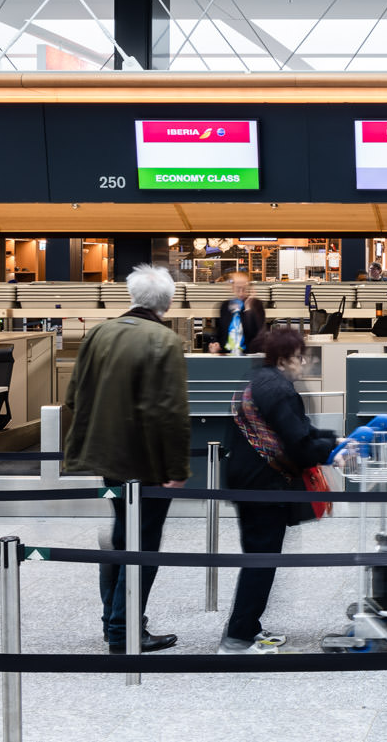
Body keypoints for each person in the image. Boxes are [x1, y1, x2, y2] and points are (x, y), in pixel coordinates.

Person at [63, 265, 191, 652]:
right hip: (147, 465)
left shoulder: (99, 332)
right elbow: (169, 414)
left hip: (106, 459)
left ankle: (113, 620)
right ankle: (123, 631)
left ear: (132, 296)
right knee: (143, 546)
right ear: (167, 303)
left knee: (121, 535)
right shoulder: (164, 341)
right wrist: (176, 470)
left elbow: (72, 397)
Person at [221, 324, 341, 654]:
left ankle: (248, 626)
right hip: (265, 486)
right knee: (261, 561)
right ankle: (238, 638)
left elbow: (297, 433)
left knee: (257, 558)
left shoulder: (259, 380)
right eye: (301, 358)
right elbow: (300, 444)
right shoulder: (280, 390)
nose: (304, 365)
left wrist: (332, 442)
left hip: (247, 481)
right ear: (287, 359)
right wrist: (334, 452)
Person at [218, 273, 266, 355]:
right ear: (232, 288)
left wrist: (248, 309)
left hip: (249, 354)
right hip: (228, 354)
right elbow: (221, 333)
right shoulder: (225, 306)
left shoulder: (256, 305)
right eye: (238, 289)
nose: (241, 293)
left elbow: (256, 334)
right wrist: (216, 345)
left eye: (244, 289)